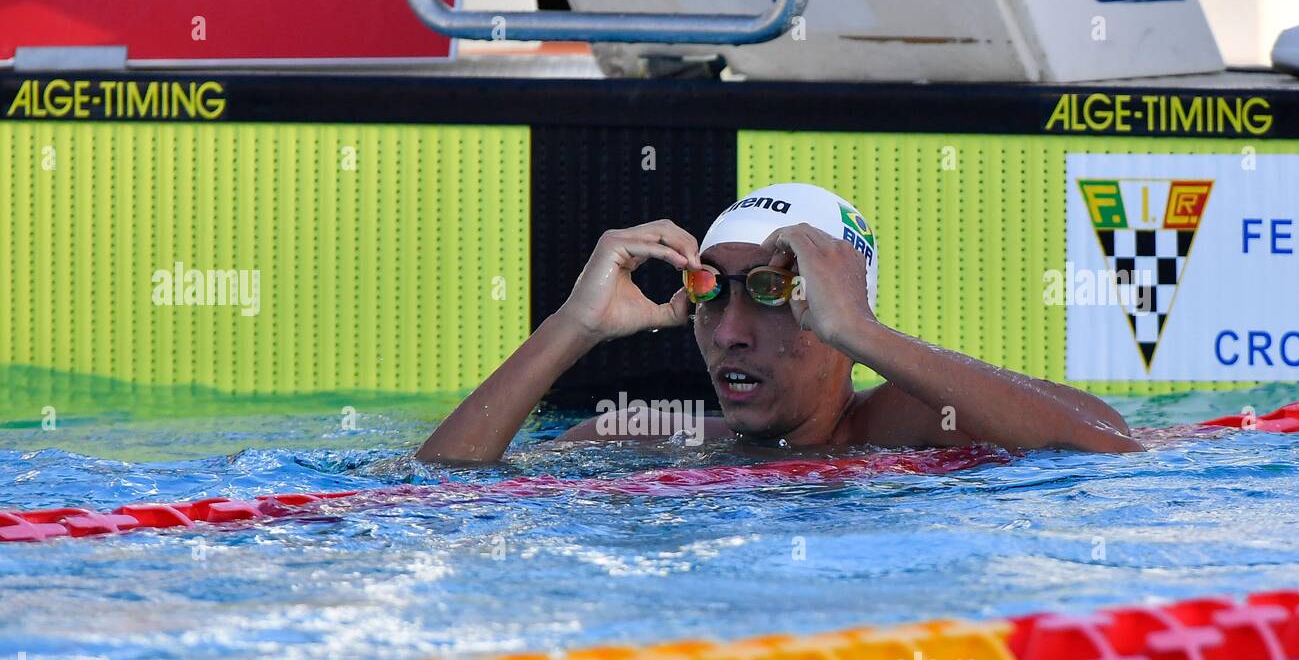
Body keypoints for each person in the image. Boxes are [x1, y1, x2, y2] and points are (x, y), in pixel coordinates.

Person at [417, 182, 1140, 462]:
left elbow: (1110, 445)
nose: (729, 331)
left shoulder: (912, 426)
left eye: (769, 294)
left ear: (833, 313)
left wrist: (865, 334)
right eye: (710, 295)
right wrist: (573, 326)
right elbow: (437, 489)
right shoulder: (642, 438)